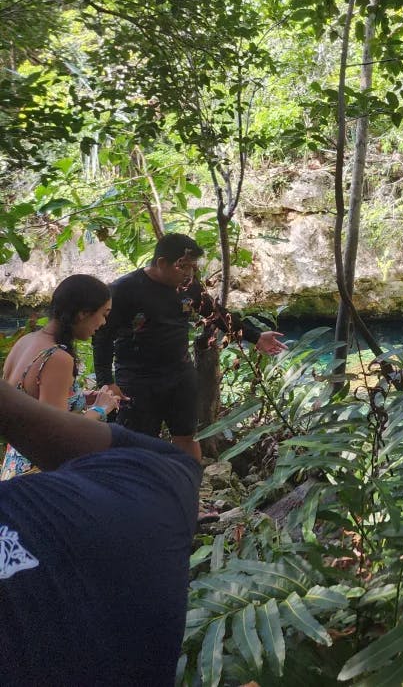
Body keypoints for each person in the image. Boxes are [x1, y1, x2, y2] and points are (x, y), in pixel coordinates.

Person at [0, 376, 200, 685]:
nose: (103, 323)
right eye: (97, 321)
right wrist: (102, 408)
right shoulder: (141, 498)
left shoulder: (33, 347)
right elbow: (52, 423)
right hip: (42, 470)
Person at [93, 233, 286, 461]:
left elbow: (217, 315)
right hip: (137, 381)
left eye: (193, 268)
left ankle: (190, 489)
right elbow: (101, 337)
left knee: (186, 436)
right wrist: (107, 382)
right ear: (162, 263)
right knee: (136, 444)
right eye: (183, 267)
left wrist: (255, 337)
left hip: (179, 375)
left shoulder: (187, 287)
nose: (189, 274)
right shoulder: (124, 290)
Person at [1, 274, 123, 480]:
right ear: (83, 313)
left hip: (13, 468)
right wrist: (101, 409)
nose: (103, 322)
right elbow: (57, 435)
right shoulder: (57, 358)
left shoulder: (26, 342)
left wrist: (79, 396)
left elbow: (30, 401)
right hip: (39, 475)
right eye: (104, 314)